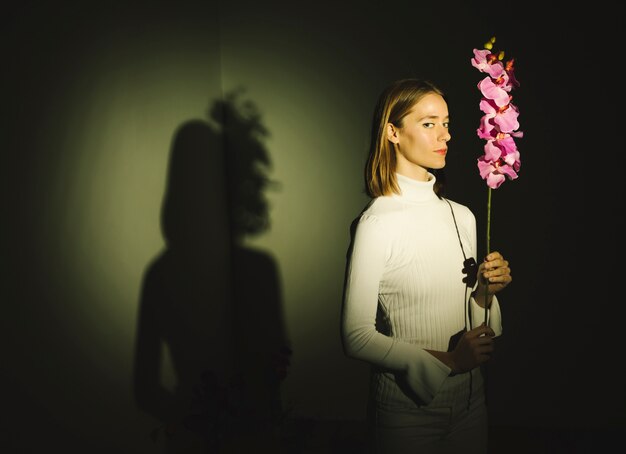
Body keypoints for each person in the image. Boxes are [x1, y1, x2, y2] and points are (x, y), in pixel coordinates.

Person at [340, 78, 512, 454]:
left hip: (472, 401)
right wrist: (450, 361)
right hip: (407, 413)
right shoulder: (377, 223)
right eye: (428, 123)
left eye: (447, 123)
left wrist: (485, 291)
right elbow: (355, 337)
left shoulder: (462, 216)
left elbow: (474, 316)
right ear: (393, 132)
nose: (444, 135)